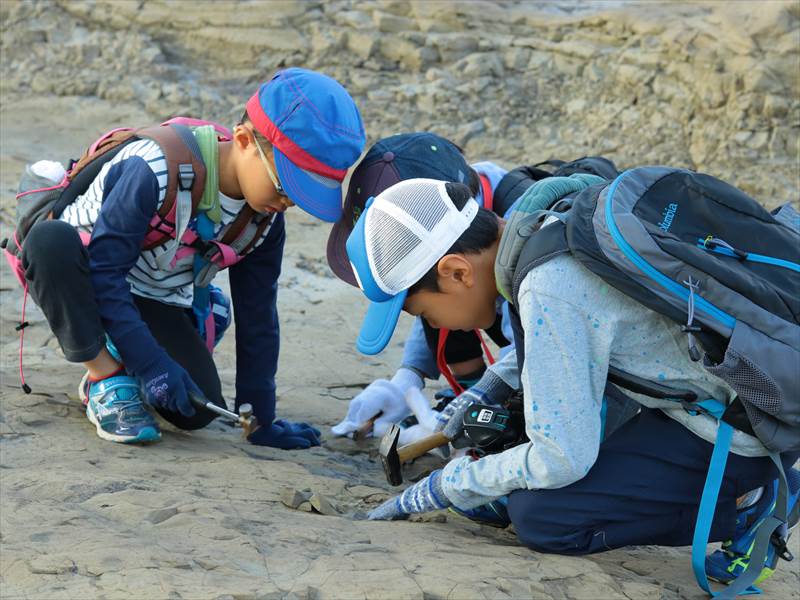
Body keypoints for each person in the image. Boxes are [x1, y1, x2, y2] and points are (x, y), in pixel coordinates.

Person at [344, 176, 800, 591]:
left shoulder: (545, 287)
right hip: (747, 384)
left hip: (749, 424)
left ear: (457, 271)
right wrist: (490, 387)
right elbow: (578, 322)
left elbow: (561, 457)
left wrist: (448, 485)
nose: (440, 325)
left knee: (543, 517)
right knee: (526, 473)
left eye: (425, 314)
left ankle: (751, 501)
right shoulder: (547, 219)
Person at [18, 67, 365, 447]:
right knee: (49, 242)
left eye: (302, 197)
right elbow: (104, 274)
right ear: (245, 139)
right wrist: (151, 364)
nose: (287, 204)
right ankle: (104, 375)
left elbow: (259, 316)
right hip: (82, 276)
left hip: (152, 293)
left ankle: (122, 352)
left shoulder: (265, 220)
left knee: (197, 409)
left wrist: (260, 418)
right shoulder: (153, 168)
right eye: (286, 186)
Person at [326, 132, 516, 442]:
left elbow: (528, 370)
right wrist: (407, 380)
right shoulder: (466, 208)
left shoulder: (529, 265)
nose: (428, 319)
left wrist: (452, 428)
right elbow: (430, 298)